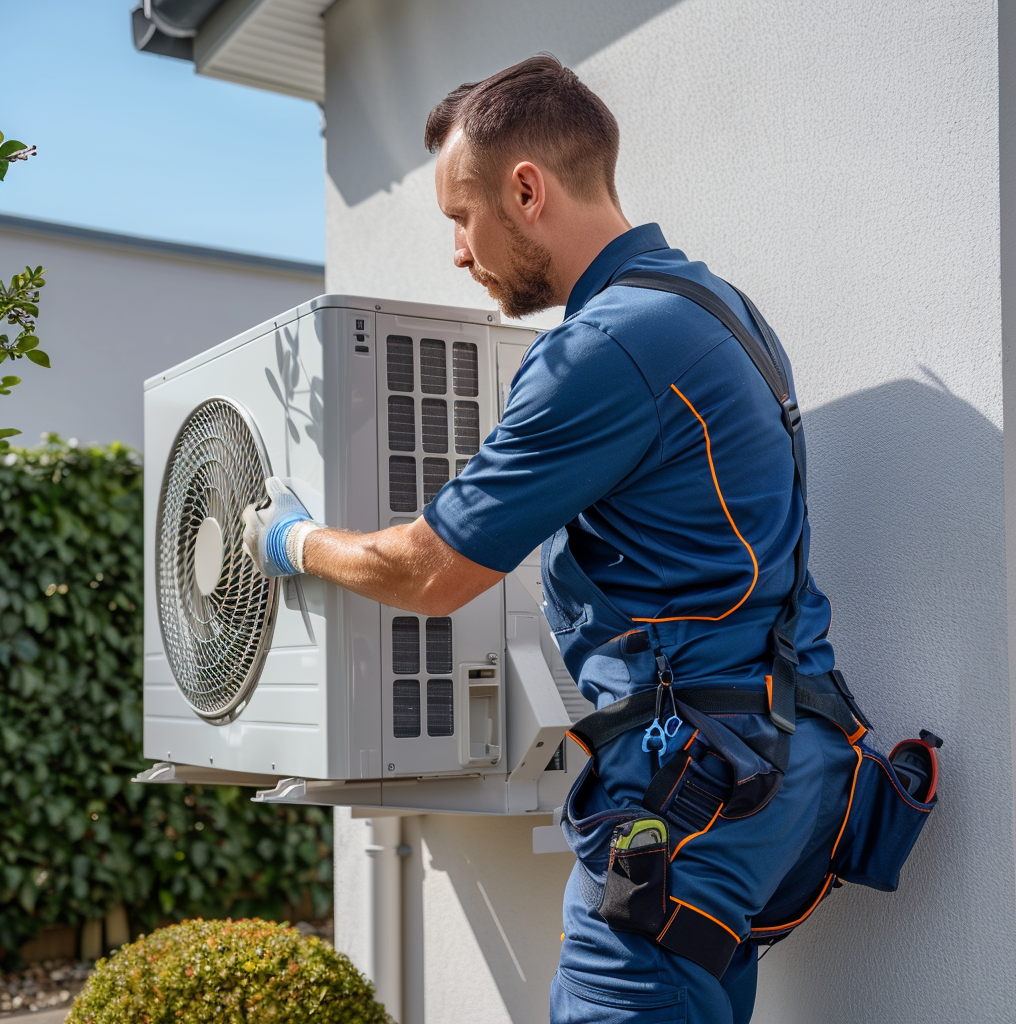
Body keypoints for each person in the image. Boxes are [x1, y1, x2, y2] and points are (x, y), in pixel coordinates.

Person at [243, 55, 859, 1024]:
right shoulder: (717, 309)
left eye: (461, 216)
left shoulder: (603, 346)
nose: (457, 250)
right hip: (780, 756)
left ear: (526, 189)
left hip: (690, 787)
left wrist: (296, 541)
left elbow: (433, 570)